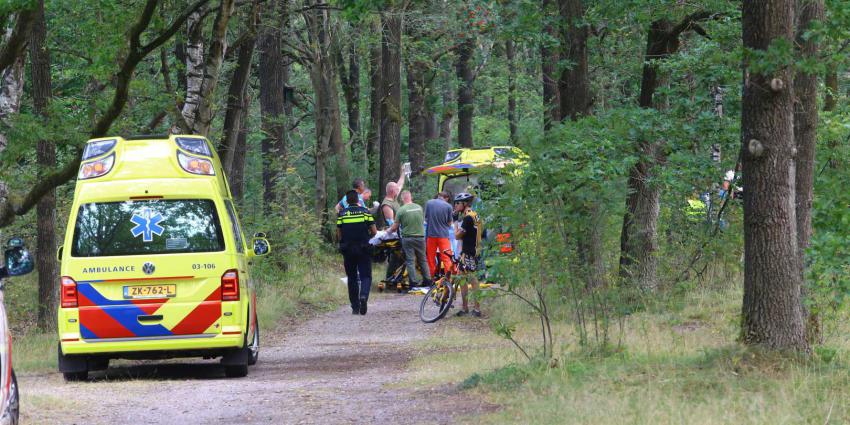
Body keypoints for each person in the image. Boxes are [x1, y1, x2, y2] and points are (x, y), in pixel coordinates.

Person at [337, 190, 378, 315]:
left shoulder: (342, 214)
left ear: (347, 201)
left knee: (352, 278)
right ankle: (364, 296)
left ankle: (355, 307)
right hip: (363, 248)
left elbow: (338, 233)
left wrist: (343, 241)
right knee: (366, 276)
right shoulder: (365, 212)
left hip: (348, 249)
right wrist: (367, 236)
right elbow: (374, 231)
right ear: (357, 200)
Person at [388, 191, 431, 289]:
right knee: (423, 260)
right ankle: (428, 280)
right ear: (410, 197)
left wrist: (387, 231)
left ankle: (414, 283)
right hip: (420, 238)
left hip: (408, 238)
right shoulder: (419, 208)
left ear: (402, 198)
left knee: (410, 261)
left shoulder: (401, 210)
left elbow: (394, 227)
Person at [453, 193, 482, 317]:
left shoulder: (468, 218)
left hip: (469, 252)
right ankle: (466, 307)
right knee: (462, 278)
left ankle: (476, 308)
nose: (455, 205)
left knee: (472, 280)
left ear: (464, 204)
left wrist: (455, 222)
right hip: (475, 250)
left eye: (457, 203)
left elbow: (457, 235)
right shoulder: (475, 215)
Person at [425, 191, 454, 278]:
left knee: (431, 259)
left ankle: (431, 278)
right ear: (447, 198)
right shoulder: (448, 206)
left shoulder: (429, 203)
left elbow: (426, 219)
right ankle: (448, 279)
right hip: (443, 236)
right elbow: (449, 223)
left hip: (431, 236)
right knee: (446, 258)